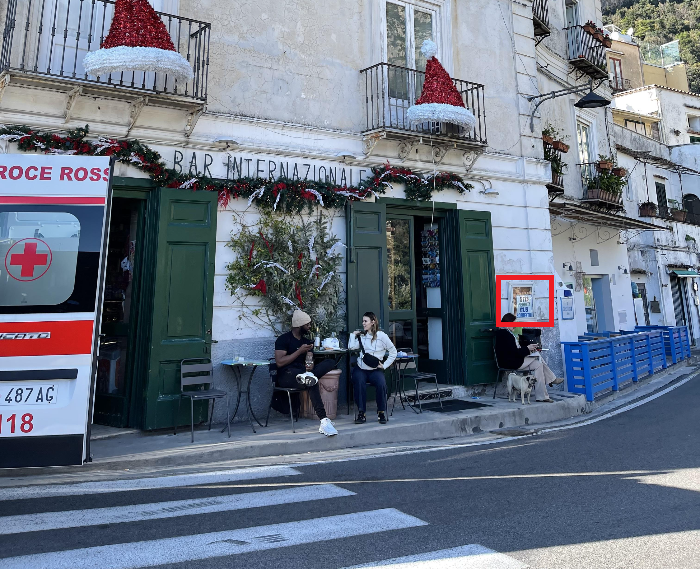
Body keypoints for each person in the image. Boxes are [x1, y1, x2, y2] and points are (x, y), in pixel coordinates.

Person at [274, 310, 338, 436]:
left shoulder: (307, 342)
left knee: (330, 362)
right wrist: (299, 351)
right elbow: (279, 362)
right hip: (287, 375)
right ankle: (324, 421)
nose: (309, 327)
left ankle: (308, 376)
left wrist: (310, 362)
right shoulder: (283, 339)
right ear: (299, 325)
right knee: (311, 381)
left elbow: (309, 361)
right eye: (307, 324)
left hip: (304, 372)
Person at [495, 313, 564, 403]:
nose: (515, 325)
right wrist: (528, 349)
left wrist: (528, 349)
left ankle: (543, 395)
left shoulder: (504, 333)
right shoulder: (506, 335)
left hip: (511, 360)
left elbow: (514, 351)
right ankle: (551, 380)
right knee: (537, 355)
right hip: (511, 362)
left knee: (538, 364)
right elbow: (515, 353)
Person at [348, 312, 397, 424]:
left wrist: (384, 365)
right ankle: (361, 413)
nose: (363, 323)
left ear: (373, 322)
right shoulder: (362, 336)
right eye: (363, 321)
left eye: (365, 321)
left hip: (375, 369)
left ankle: (381, 412)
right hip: (361, 368)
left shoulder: (382, 336)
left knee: (381, 384)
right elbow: (351, 347)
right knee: (359, 382)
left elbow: (393, 351)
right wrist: (353, 335)